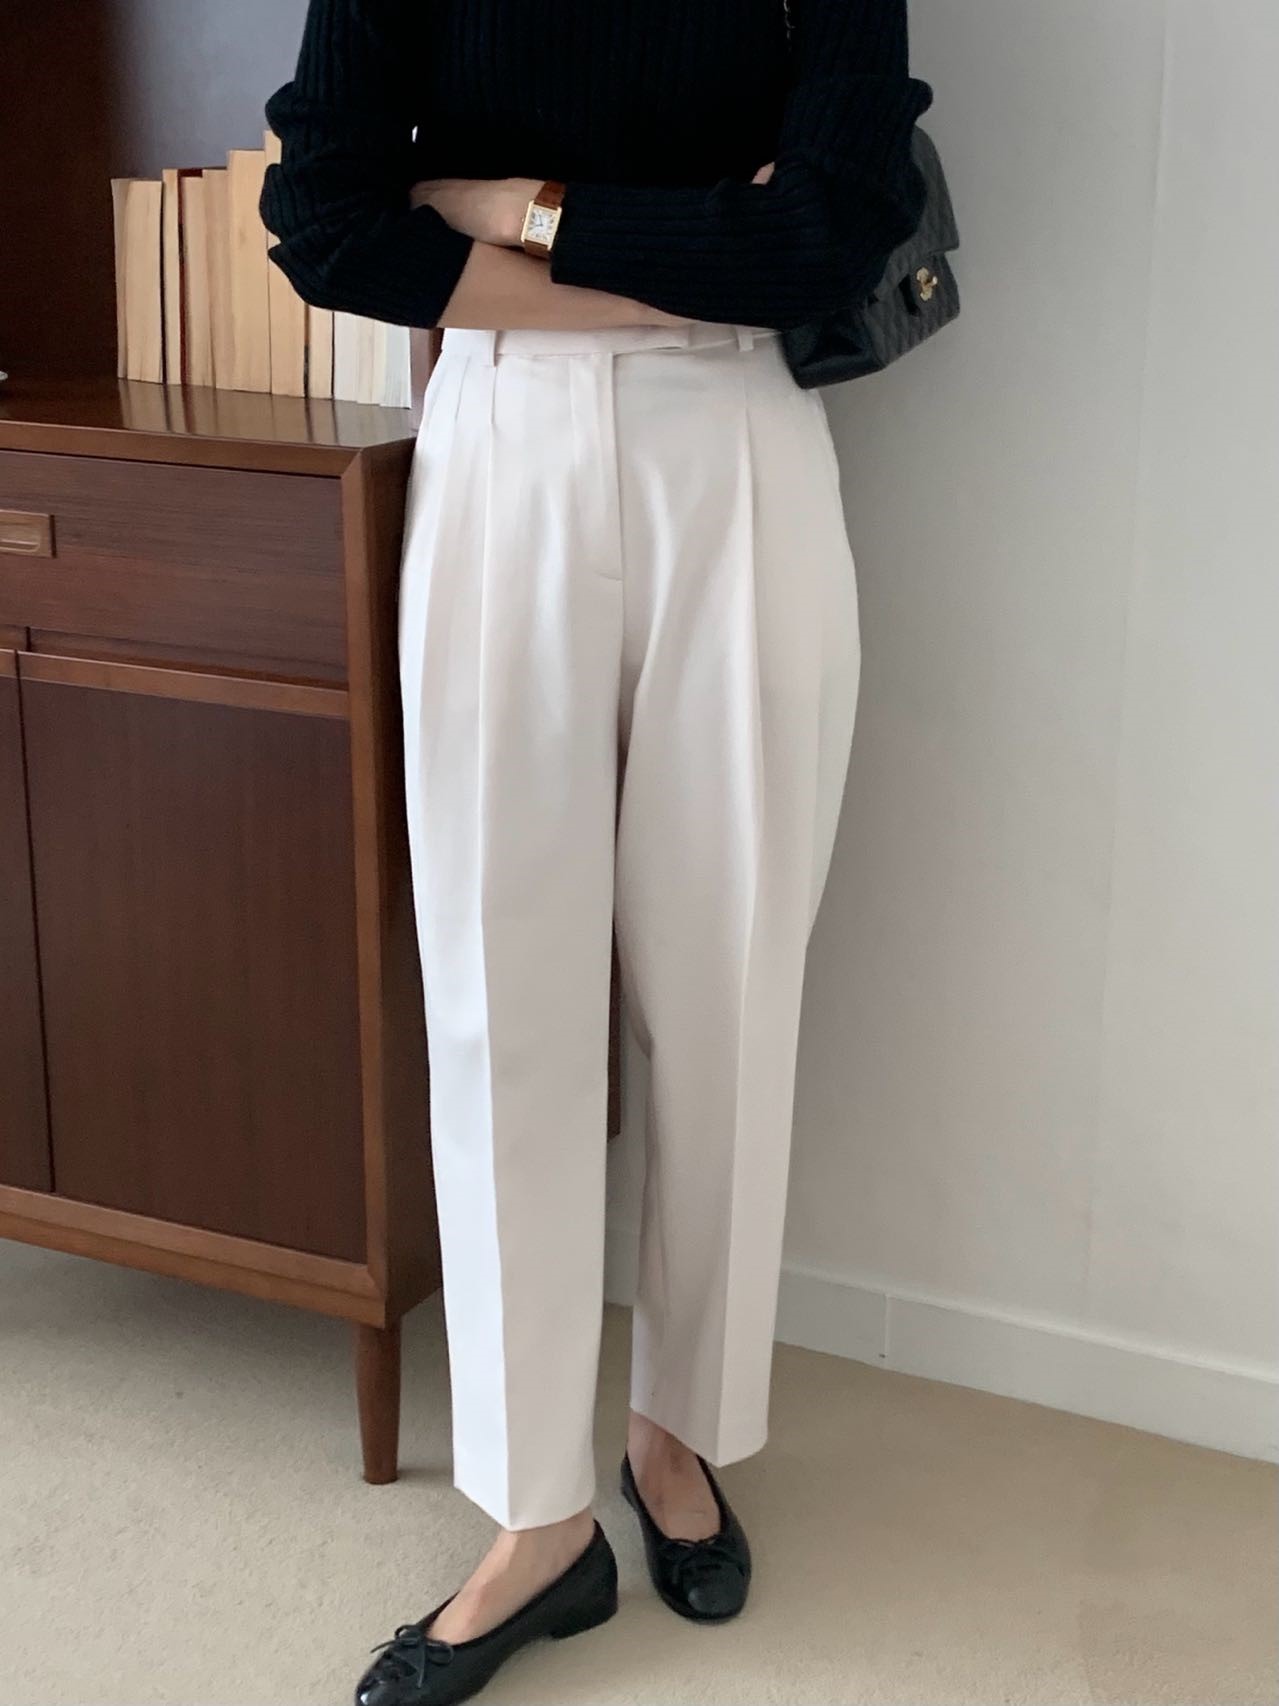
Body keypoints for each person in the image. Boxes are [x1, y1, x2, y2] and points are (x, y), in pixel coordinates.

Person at [261, 2, 932, 1700]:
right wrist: (693, 264)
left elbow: (834, 230)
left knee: (729, 974)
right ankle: (536, 1516)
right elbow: (327, 221)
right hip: (507, 438)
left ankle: (675, 1429)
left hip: (744, 447)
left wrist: (516, 210)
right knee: (503, 992)